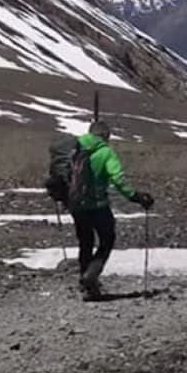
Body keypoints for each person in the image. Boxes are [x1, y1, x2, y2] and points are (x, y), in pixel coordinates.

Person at [70, 121, 155, 301]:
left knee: (85, 242)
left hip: (76, 205)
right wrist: (136, 197)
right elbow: (118, 180)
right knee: (107, 240)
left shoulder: (75, 148)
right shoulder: (106, 152)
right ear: (105, 136)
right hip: (98, 206)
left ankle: (85, 283)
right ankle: (91, 275)